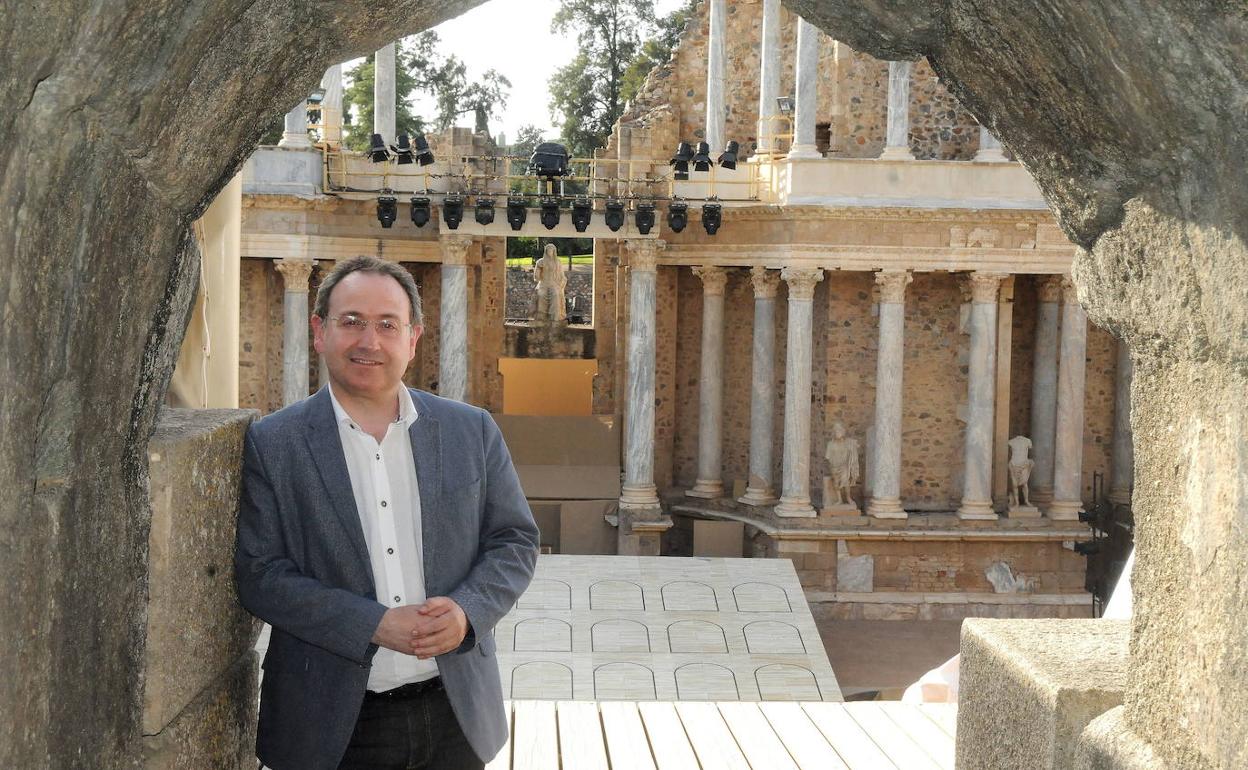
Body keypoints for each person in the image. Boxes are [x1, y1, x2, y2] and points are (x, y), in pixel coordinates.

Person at [234, 255, 539, 770]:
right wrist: (374, 624)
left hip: (456, 712)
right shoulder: (273, 443)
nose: (368, 341)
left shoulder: (471, 431)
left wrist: (467, 611)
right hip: (331, 725)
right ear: (319, 331)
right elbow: (260, 576)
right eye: (351, 322)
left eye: (387, 325)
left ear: (413, 338)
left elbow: (514, 541)